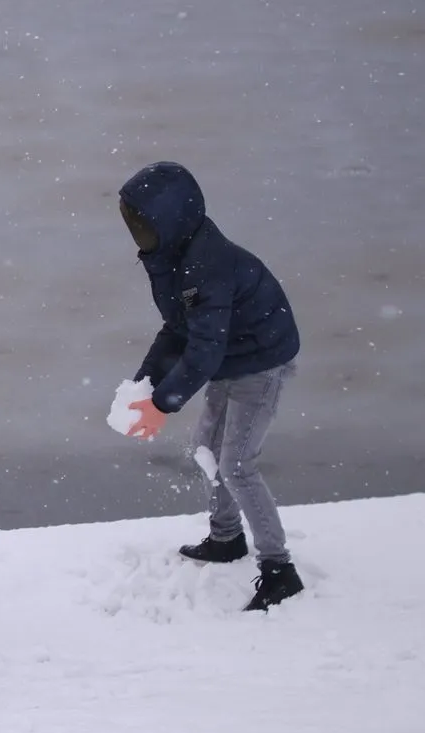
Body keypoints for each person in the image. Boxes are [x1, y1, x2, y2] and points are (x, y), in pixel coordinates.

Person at [117, 161, 304, 611]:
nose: (135, 233)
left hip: (260, 361)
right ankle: (226, 538)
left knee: (237, 463)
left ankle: (280, 569)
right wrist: (144, 384)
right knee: (206, 447)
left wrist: (162, 403)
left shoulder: (204, 267)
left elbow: (203, 349)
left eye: (141, 223)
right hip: (231, 356)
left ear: (168, 221)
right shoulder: (172, 256)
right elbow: (177, 329)